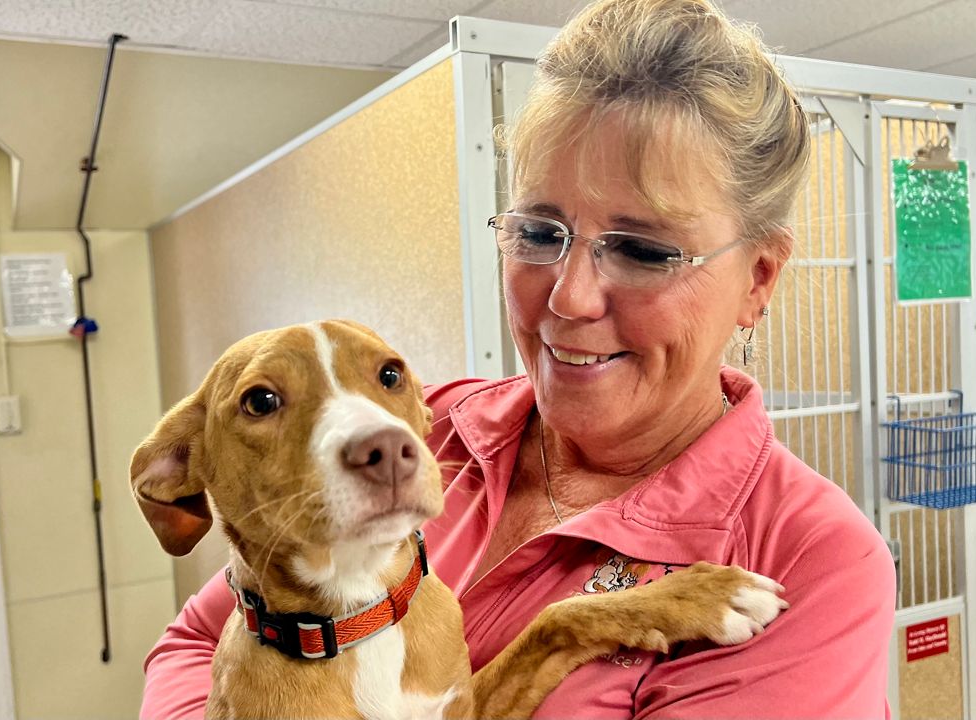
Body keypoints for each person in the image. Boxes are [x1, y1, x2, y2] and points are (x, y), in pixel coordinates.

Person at [139, 0, 896, 716]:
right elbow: (196, 640)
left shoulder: (806, 557)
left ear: (757, 279)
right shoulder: (432, 434)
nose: (569, 298)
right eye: (538, 233)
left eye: (642, 249)